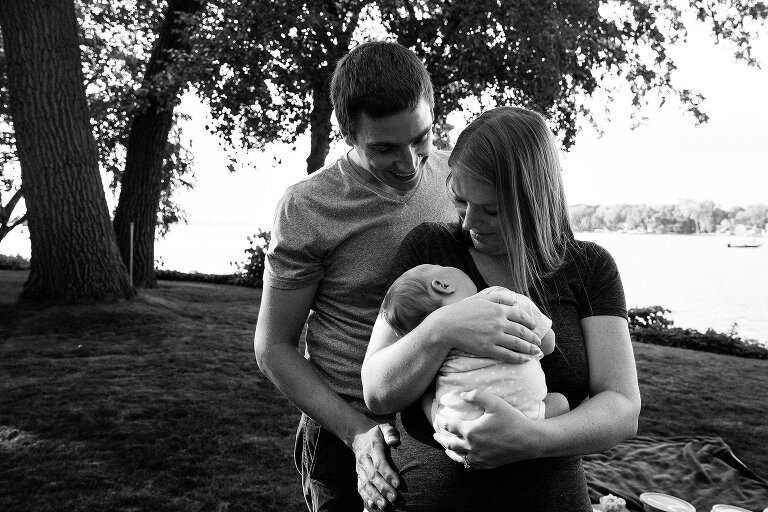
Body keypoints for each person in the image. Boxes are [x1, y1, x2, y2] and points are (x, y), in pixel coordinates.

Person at [253, 42, 542, 512]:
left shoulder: (458, 177)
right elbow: (273, 348)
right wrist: (356, 431)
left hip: (442, 422)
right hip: (349, 433)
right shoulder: (307, 207)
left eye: (421, 138)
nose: (409, 163)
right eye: (384, 147)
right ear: (347, 133)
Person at [362, 106, 641, 511]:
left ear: (534, 200)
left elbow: (621, 406)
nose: (469, 223)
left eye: (491, 209)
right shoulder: (430, 254)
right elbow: (377, 391)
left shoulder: (588, 268)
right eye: (460, 201)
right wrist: (442, 328)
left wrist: (532, 439)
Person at [379, 263, 569, 437]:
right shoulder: (501, 297)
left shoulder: (434, 345)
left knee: (427, 398)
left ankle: (443, 429)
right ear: (442, 285)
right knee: (561, 402)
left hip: (463, 430)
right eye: (440, 265)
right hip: (526, 420)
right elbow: (548, 343)